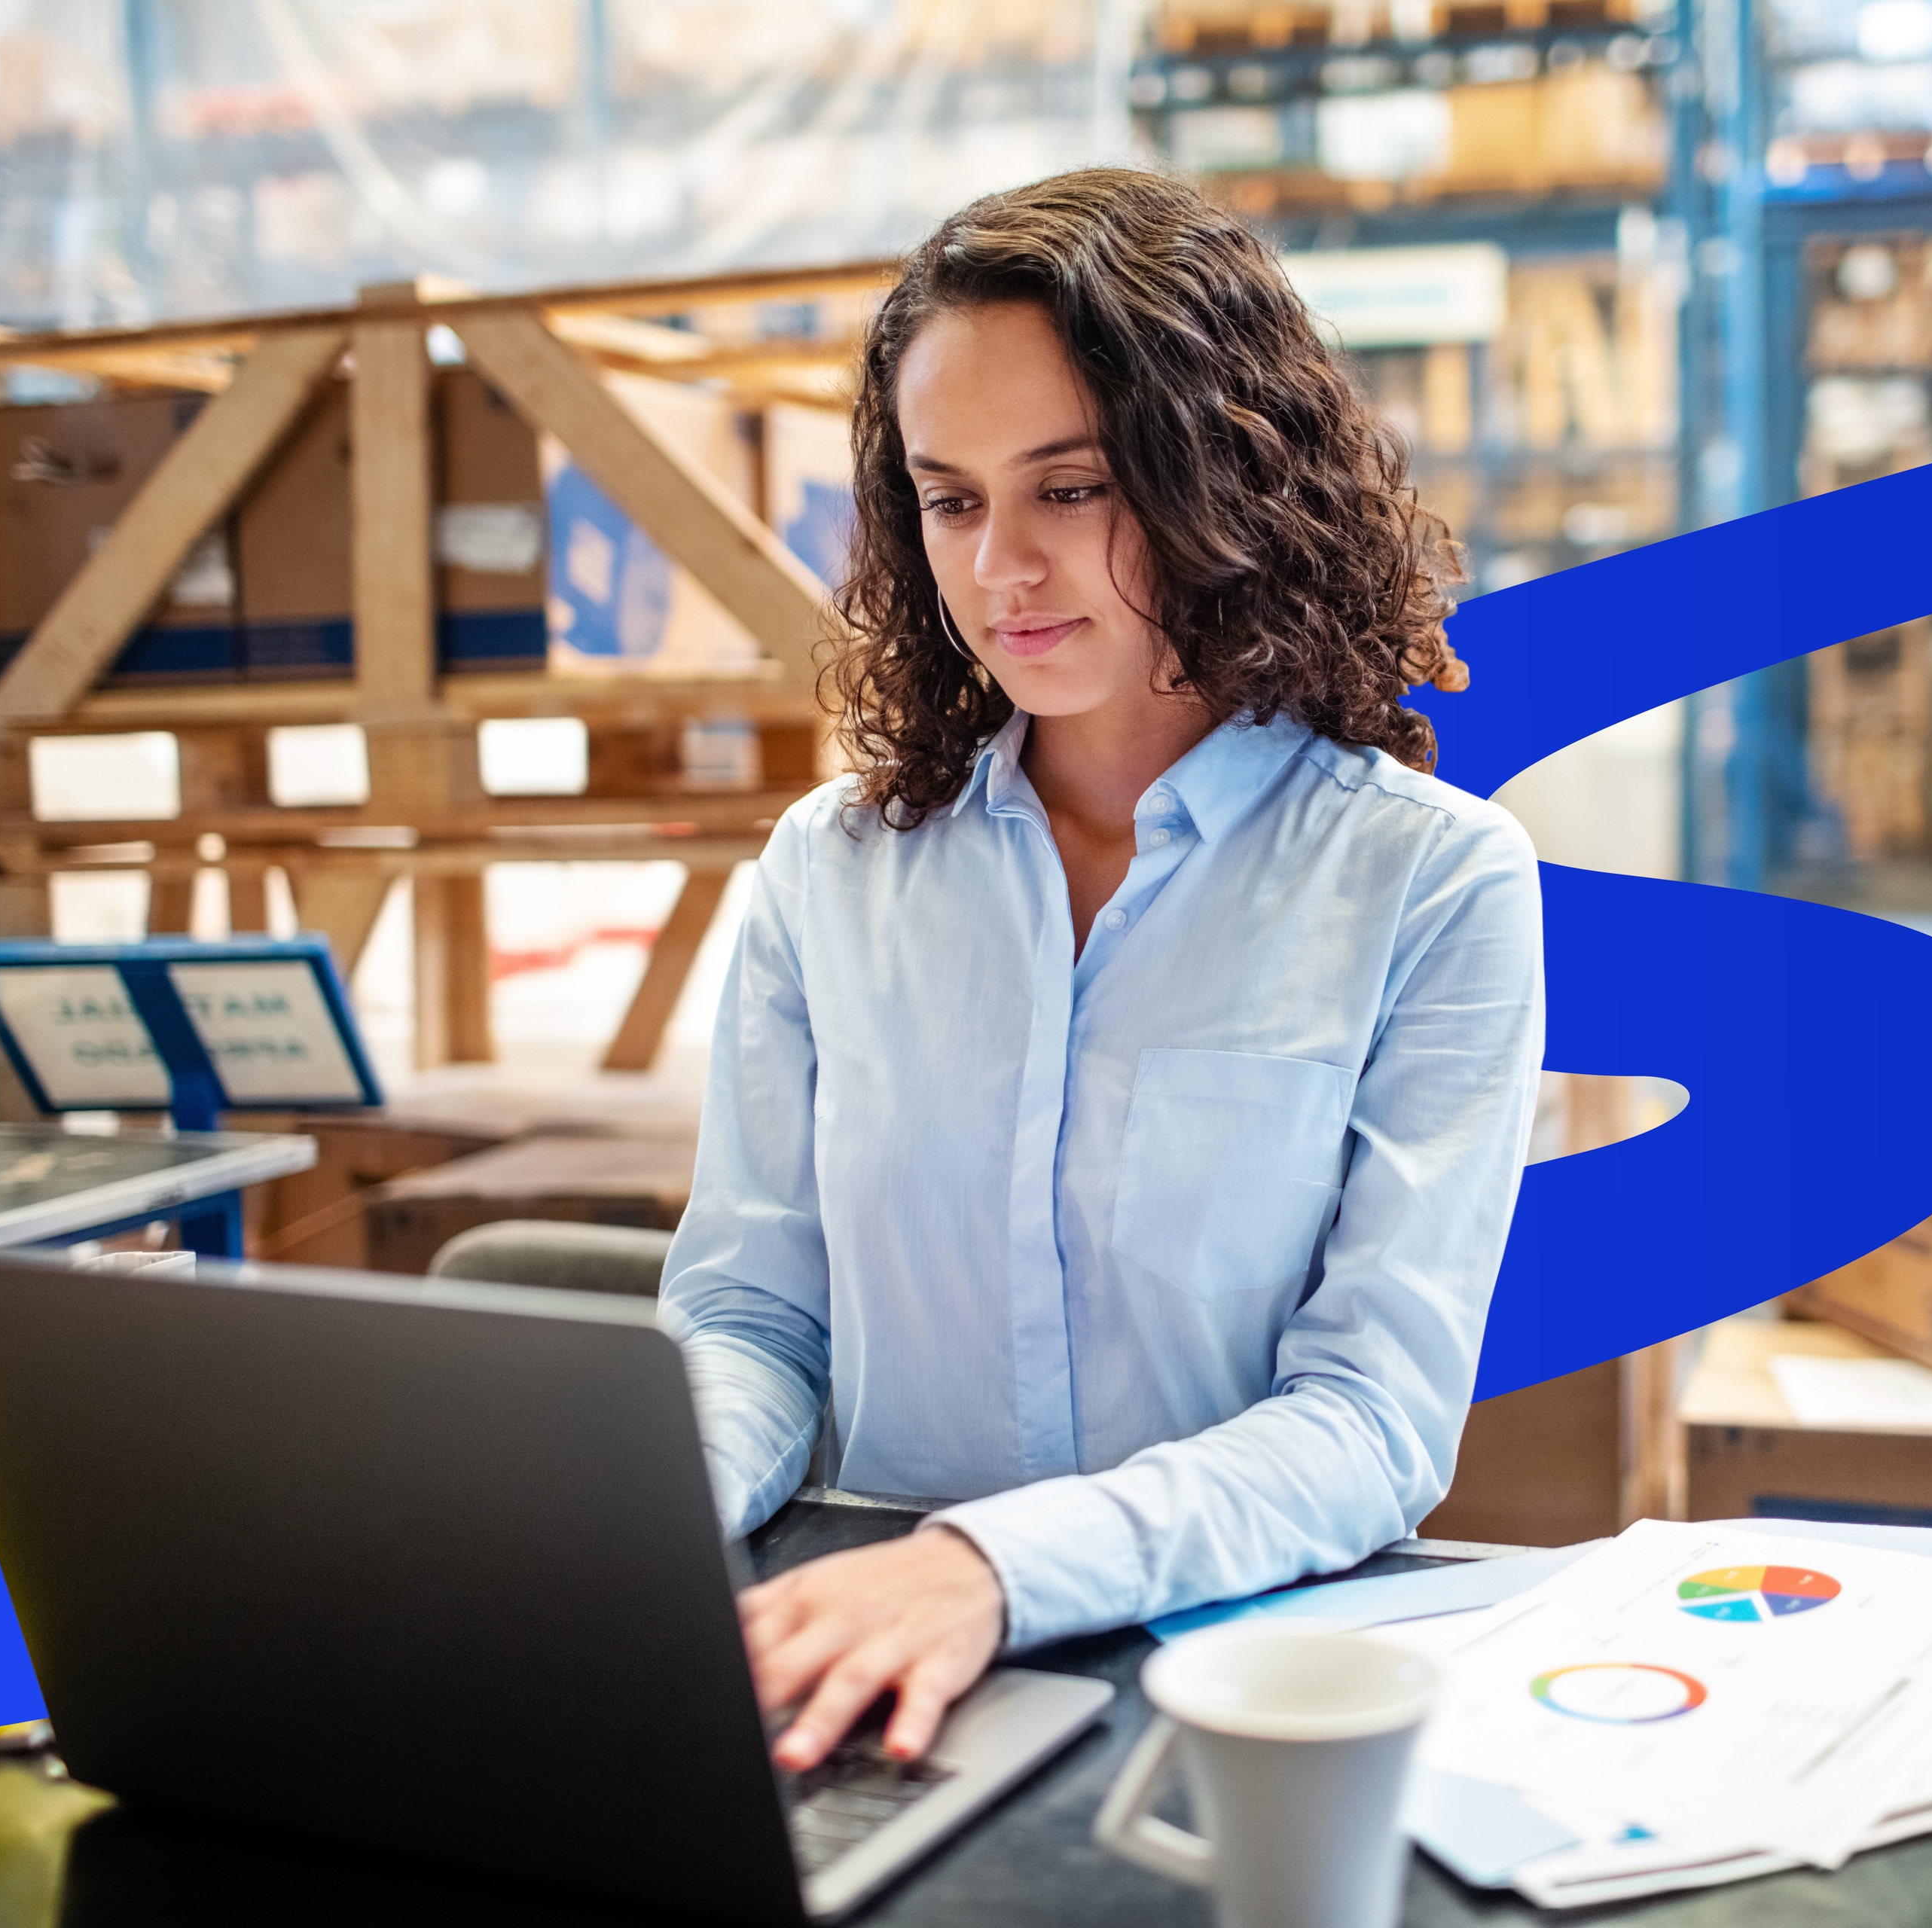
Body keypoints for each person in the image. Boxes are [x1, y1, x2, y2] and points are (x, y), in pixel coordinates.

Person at [659, 166, 1544, 1776]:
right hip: (862, 1667)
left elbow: (1372, 1420)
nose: (1001, 566)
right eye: (950, 500)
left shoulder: (1428, 881)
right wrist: (651, 1516)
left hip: (1230, 1692)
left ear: (1224, 478)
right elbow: (751, 1313)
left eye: (1068, 489)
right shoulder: (828, 873)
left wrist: (990, 1569)